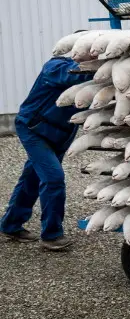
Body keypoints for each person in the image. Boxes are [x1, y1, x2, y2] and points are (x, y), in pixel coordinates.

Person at [0, 52, 93, 251]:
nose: (96, 55)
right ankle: (51, 235)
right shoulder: (56, 66)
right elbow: (70, 77)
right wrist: (102, 70)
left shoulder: (92, 76)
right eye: (93, 50)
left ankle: (11, 224)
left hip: (60, 135)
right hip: (33, 129)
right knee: (53, 178)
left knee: (32, 178)